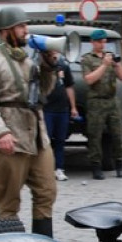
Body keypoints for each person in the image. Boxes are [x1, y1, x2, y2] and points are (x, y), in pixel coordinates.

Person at [0, 6, 57, 235]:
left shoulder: (27, 60)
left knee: (47, 191)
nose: (25, 31)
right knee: (8, 201)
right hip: (10, 135)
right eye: (20, 26)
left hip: (36, 135)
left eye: (25, 26)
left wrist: (49, 66)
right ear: (6, 30)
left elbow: (43, 93)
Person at [80, 29, 122, 179]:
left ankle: (119, 164)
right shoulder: (87, 59)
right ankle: (96, 166)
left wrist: (116, 64)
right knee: (95, 135)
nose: (102, 44)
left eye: (104, 41)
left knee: (117, 134)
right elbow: (89, 79)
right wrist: (104, 65)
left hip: (111, 100)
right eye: (100, 42)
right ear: (93, 42)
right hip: (96, 101)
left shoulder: (109, 57)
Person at [43, 50, 76, 182]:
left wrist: (73, 107)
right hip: (48, 108)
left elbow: (69, 87)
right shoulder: (44, 67)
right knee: (47, 140)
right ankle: (46, 169)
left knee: (60, 141)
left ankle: (59, 169)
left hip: (62, 109)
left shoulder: (64, 66)